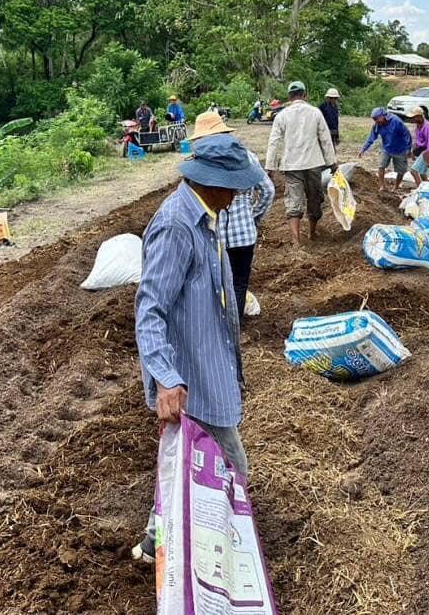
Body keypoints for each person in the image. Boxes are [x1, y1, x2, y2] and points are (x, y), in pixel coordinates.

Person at [130, 132, 265, 566]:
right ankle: (218, 553)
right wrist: (167, 379)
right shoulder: (176, 226)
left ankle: (156, 541)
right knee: (232, 466)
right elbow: (149, 309)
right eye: (234, 187)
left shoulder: (207, 215)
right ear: (213, 182)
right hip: (189, 378)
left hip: (209, 365)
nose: (238, 195)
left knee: (181, 464)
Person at [190, 111, 276, 318]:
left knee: (214, 282)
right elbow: (268, 191)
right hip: (244, 234)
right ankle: (234, 329)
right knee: (238, 283)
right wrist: (253, 217)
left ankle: (216, 326)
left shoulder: (200, 162)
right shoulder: (246, 157)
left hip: (212, 233)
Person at [265, 81, 337, 247]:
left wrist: (270, 167)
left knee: (293, 201)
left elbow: (273, 142)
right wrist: (332, 163)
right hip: (313, 163)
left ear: (289, 97)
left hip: (291, 165)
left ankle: (296, 241)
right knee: (314, 198)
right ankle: (312, 232)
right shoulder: (315, 112)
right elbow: (325, 140)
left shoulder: (282, 115)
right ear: (305, 95)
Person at [359, 107, 412, 194]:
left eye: (377, 119)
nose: (376, 121)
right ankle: (382, 186)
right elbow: (371, 137)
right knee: (381, 166)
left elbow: (407, 134)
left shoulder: (396, 121)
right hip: (386, 148)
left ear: (383, 116)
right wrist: (363, 149)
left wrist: (408, 148)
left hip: (400, 149)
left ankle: (396, 187)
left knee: (401, 171)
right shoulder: (377, 125)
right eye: (374, 119)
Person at [407, 107, 429, 188]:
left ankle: (419, 189)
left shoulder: (427, 126)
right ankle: (427, 188)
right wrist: (414, 151)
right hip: (421, 150)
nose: (413, 119)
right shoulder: (418, 126)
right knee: (422, 172)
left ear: (420, 116)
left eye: (414, 117)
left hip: (427, 151)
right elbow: (418, 140)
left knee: (413, 171)